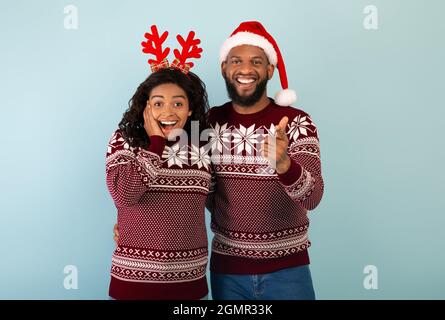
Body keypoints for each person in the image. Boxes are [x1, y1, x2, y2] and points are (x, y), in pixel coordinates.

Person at [205, 21, 325, 300]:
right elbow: (192, 187)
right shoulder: (208, 122)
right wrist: (133, 226)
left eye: (256, 62)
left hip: (288, 270)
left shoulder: (298, 122)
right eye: (237, 61)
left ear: (270, 70)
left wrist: (284, 165)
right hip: (227, 271)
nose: (245, 69)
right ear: (224, 68)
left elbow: (313, 198)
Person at [106, 25, 212, 300]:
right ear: (145, 107)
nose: (168, 112)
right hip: (133, 282)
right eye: (158, 103)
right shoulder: (125, 140)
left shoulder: (202, 146)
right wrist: (154, 143)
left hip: (190, 281)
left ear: (190, 109)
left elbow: (221, 201)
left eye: (178, 104)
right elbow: (125, 193)